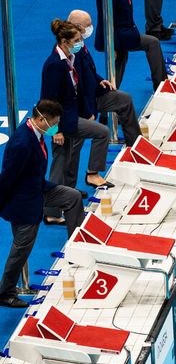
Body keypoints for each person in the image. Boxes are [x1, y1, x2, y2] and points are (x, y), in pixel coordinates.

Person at [0, 101, 83, 308]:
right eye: (53, 123)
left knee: (72, 196)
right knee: (21, 249)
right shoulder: (22, 143)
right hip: (24, 203)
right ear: (41, 119)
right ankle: (5, 292)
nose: (55, 127)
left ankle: (77, 250)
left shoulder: (35, 134)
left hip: (38, 189)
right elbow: (7, 177)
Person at [40, 19, 112, 225]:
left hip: (71, 116)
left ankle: (58, 206)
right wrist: (55, 130)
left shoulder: (69, 58)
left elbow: (75, 90)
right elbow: (48, 100)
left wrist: (86, 111)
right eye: (77, 40)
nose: (81, 43)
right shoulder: (54, 65)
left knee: (62, 162)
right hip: (62, 123)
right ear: (64, 42)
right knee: (101, 133)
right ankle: (90, 175)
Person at [67, 10, 142, 147]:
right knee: (75, 146)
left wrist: (99, 80)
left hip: (94, 92)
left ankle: (135, 144)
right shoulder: (71, 50)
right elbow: (77, 84)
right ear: (78, 26)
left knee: (124, 100)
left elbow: (88, 70)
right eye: (88, 25)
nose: (90, 28)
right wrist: (88, 111)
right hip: (84, 102)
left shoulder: (78, 42)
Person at [95, 0, 166, 90]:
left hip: (125, 33)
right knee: (151, 43)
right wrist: (112, 46)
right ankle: (160, 84)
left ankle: (110, 95)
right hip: (119, 37)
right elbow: (106, 20)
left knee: (121, 63)